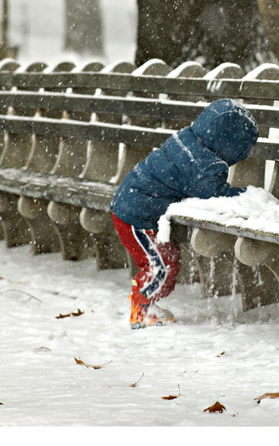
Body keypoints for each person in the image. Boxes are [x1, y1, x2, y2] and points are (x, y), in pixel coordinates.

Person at [110, 98, 259, 329]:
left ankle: (145, 302)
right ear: (229, 145)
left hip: (134, 205)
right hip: (135, 216)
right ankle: (141, 309)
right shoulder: (203, 164)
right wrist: (246, 196)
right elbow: (214, 194)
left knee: (166, 258)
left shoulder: (188, 140)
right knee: (159, 265)